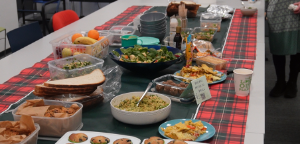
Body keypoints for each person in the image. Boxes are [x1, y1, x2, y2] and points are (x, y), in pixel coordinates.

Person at [267, 0, 300, 98]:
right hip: (276, 8)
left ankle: (292, 82)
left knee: (297, 47)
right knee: (277, 45)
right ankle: (280, 81)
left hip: (296, 5)